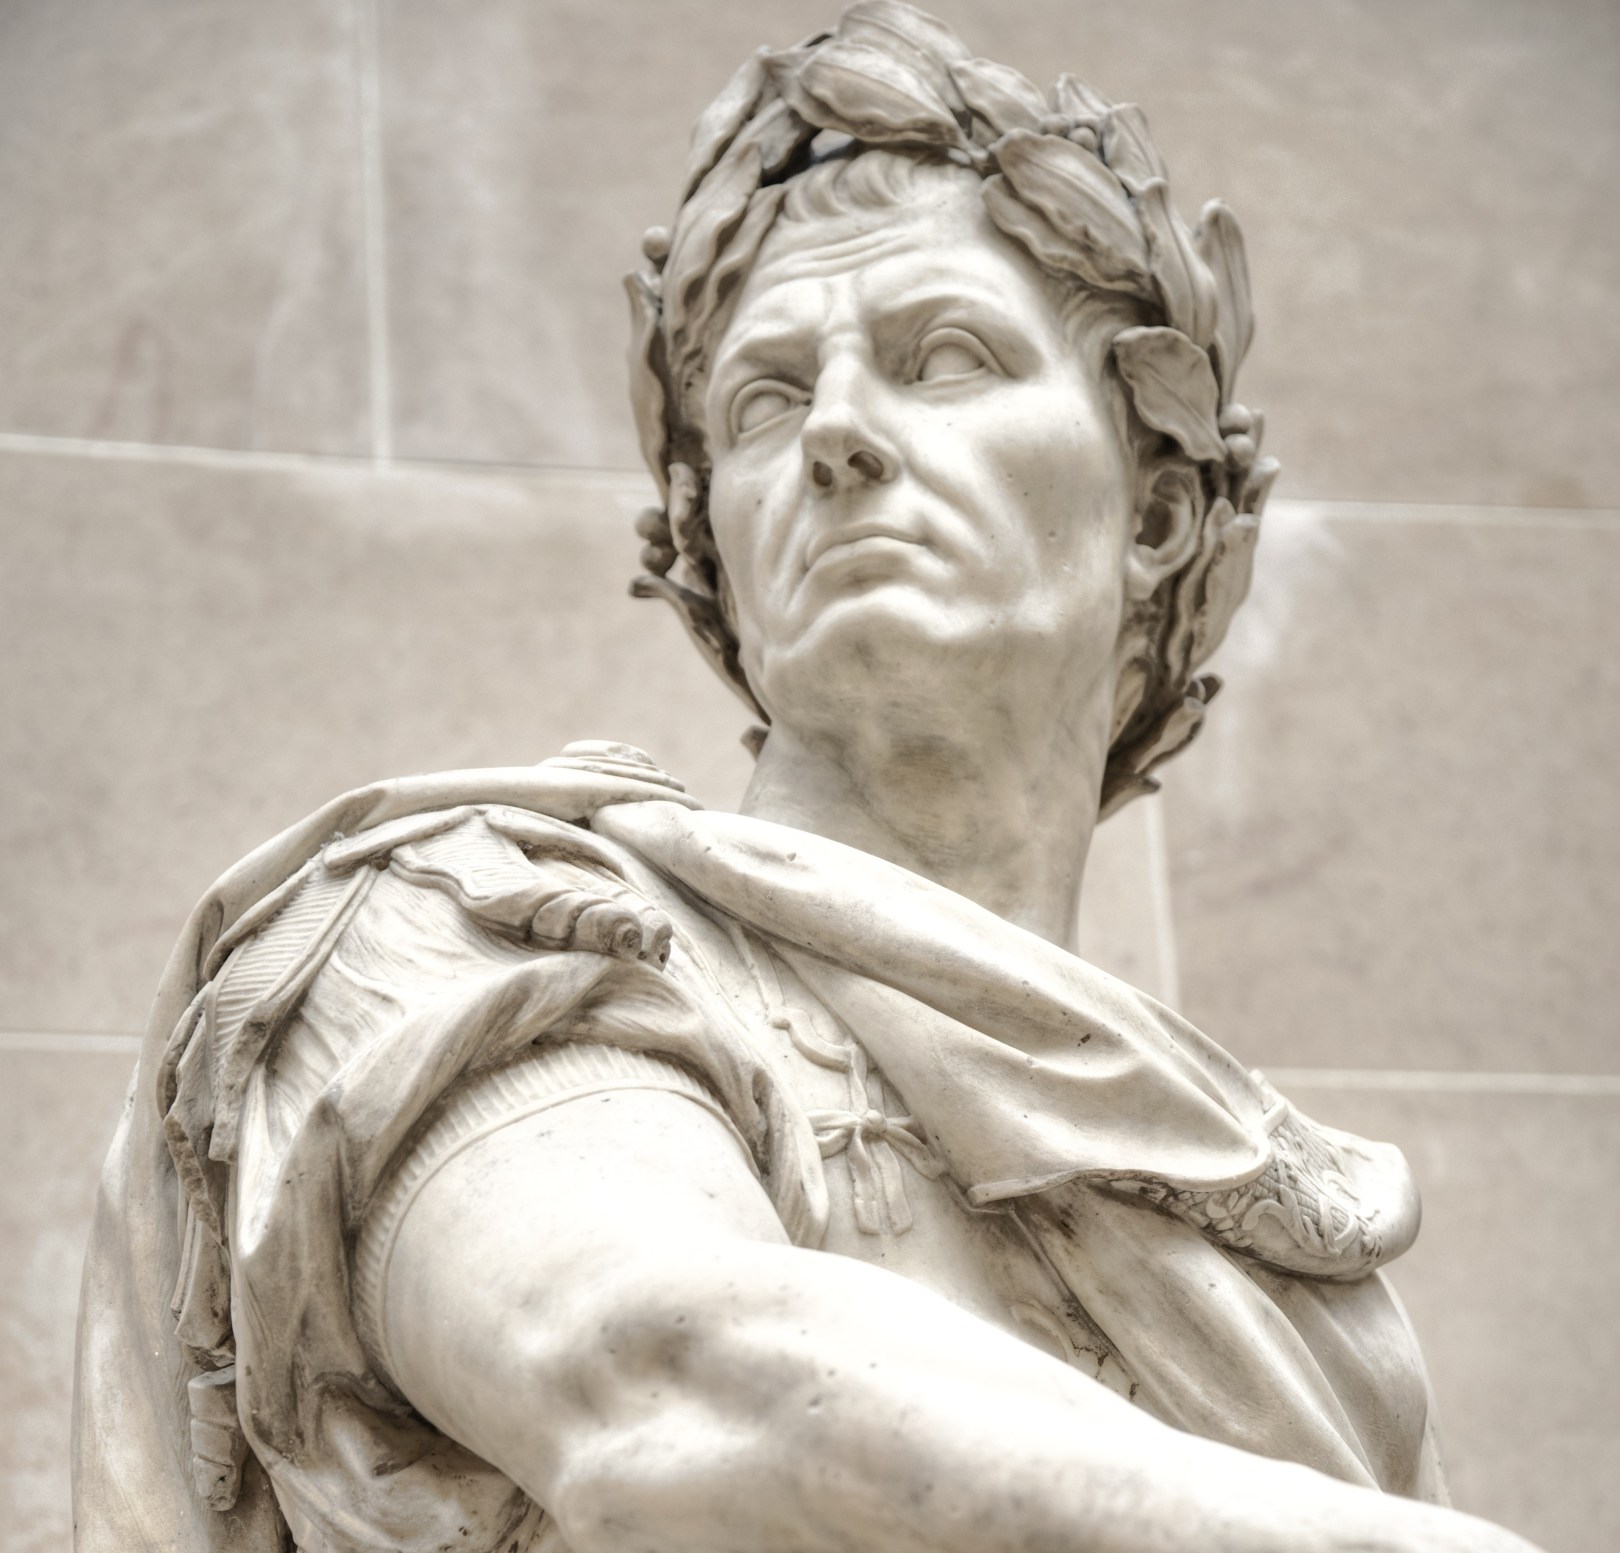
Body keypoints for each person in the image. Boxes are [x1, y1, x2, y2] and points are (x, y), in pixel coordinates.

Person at [73, 6, 1542, 1551]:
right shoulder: (467, 918)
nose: (839, 431)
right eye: (765, 399)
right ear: (715, 550)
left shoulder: (1310, 1303)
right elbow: (662, 1381)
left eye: (944, 356)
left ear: (1159, 511)